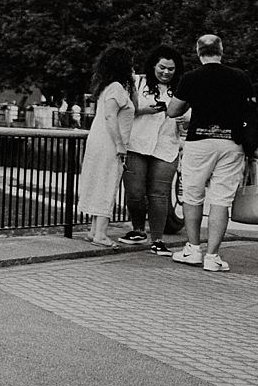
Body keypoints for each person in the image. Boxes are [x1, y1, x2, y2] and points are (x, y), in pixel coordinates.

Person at [167, 34, 257, 273]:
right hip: (231, 143)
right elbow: (250, 110)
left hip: (200, 141)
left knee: (193, 195)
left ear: (198, 51)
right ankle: (213, 256)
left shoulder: (191, 78)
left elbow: (173, 110)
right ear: (221, 50)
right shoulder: (240, 77)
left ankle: (193, 248)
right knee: (221, 200)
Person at [117, 45, 186, 254]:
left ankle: (158, 239)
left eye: (171, 69)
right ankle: (138, 229)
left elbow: (191, 115)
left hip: (166, 147)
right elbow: (122, 109)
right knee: (135, 192)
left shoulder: (182, 88)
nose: (166, 72)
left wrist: (184, 119)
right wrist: (144, 110)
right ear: (153, 66)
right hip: (136, 144)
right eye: (162, 67)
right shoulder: (137, 82)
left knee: (159, 194)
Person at [75, 46, 135, 247]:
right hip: (110, 143)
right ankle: (101, 233)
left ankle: (94, 230)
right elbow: (111, 116)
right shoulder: (117, 87)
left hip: (98, 140)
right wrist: (120, 144)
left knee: (98, 182)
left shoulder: (107, 88)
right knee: (108, 183)